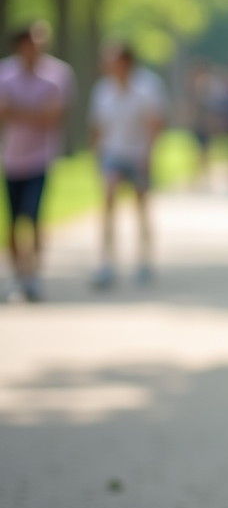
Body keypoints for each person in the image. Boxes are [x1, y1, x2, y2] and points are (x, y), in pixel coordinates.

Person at [0, 25, 72, 301]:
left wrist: (16, 111)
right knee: (13, 222)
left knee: (34, 218)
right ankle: (18, 276)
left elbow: (52, 117)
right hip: (11, 159)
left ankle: (34, 277)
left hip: (40, 159)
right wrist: (35, 113)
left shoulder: (58, 75)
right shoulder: (5, 74)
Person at [89, 44, 168, 288]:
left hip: (137, 155)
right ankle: (106, 262)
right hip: (112, 153)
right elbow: (97, 126)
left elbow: (155, 123)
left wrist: (149, 155)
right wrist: (96, 155)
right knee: (109, 204)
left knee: (141, 206)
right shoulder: (102, 89)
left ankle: (144, 260)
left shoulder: (146, 87)